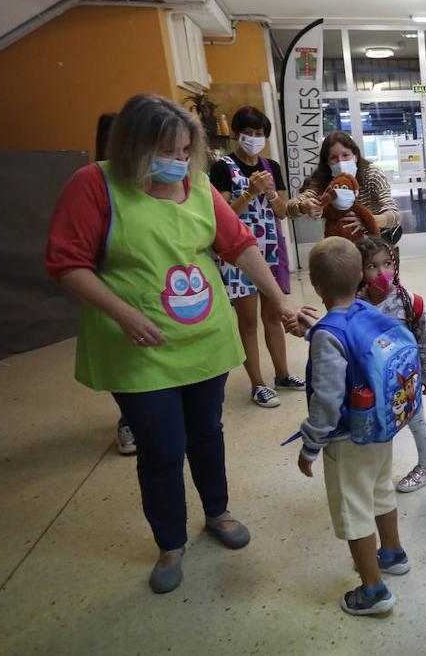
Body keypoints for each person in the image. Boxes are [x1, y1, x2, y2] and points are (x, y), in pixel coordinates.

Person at [46, 93, 298, 594]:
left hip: (203, 341)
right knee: (161, 448)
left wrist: (279, 301)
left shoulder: (198, 186)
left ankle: (218, 512)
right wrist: (123, 313)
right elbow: (67, 263)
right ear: (133, 147)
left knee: (207, 432)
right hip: (137, 348)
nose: (178, 162)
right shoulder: (95, 185)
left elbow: (240, 245)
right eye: (167, 151)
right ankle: (169, 541)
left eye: (186, 151)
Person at [294, 237, 409, 616]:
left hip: (347, 439)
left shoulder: (328, 334)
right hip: (380, 427)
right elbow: (351, 342)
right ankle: (392, 553)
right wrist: (315, 330)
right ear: (360, 275)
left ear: (315, 284)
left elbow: (326, 400)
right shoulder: (364, 309)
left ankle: (374, 590)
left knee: (354, 508)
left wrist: (310, 445)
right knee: (379, 491)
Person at [209, 106, 303, 408]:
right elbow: (222, 217)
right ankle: (258, 384)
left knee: (274, 315)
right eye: (247, 133)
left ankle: (283, 374)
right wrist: (249, 192)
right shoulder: (222, 167)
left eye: (259, 133)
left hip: (271, 250)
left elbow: (282, 212)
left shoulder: (271, 166)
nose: (253, 138)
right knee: (248, 321)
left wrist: (271, 193)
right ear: (236, 135)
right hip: (238, 256)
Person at [354, 236, 426, 493]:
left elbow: (425, 338)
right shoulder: (356, 304)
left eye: (387, 263)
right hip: (373, 381)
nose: (382, 272)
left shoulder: (408, 301)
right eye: (372, 266)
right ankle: (376, 475)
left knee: (417, 421)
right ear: (359, 271)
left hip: (406, 379)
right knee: (377, 425)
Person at [95, 111, 137, 457]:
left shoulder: (153, 183)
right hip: (115, 292)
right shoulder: (95, 184)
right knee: (123, 362)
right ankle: (128, 419)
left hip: (162, 295)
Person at [297, 131, 400, 240]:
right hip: (342, 240)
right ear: (327, 162)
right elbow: (290, 208)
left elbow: (394, 214)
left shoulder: (372, 174)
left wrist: (367, 220)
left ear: (355, 156)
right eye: (333, 158)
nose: (341, 162)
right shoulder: (322, 179)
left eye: (345, 155)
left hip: (376, 237)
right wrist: (303, 207)